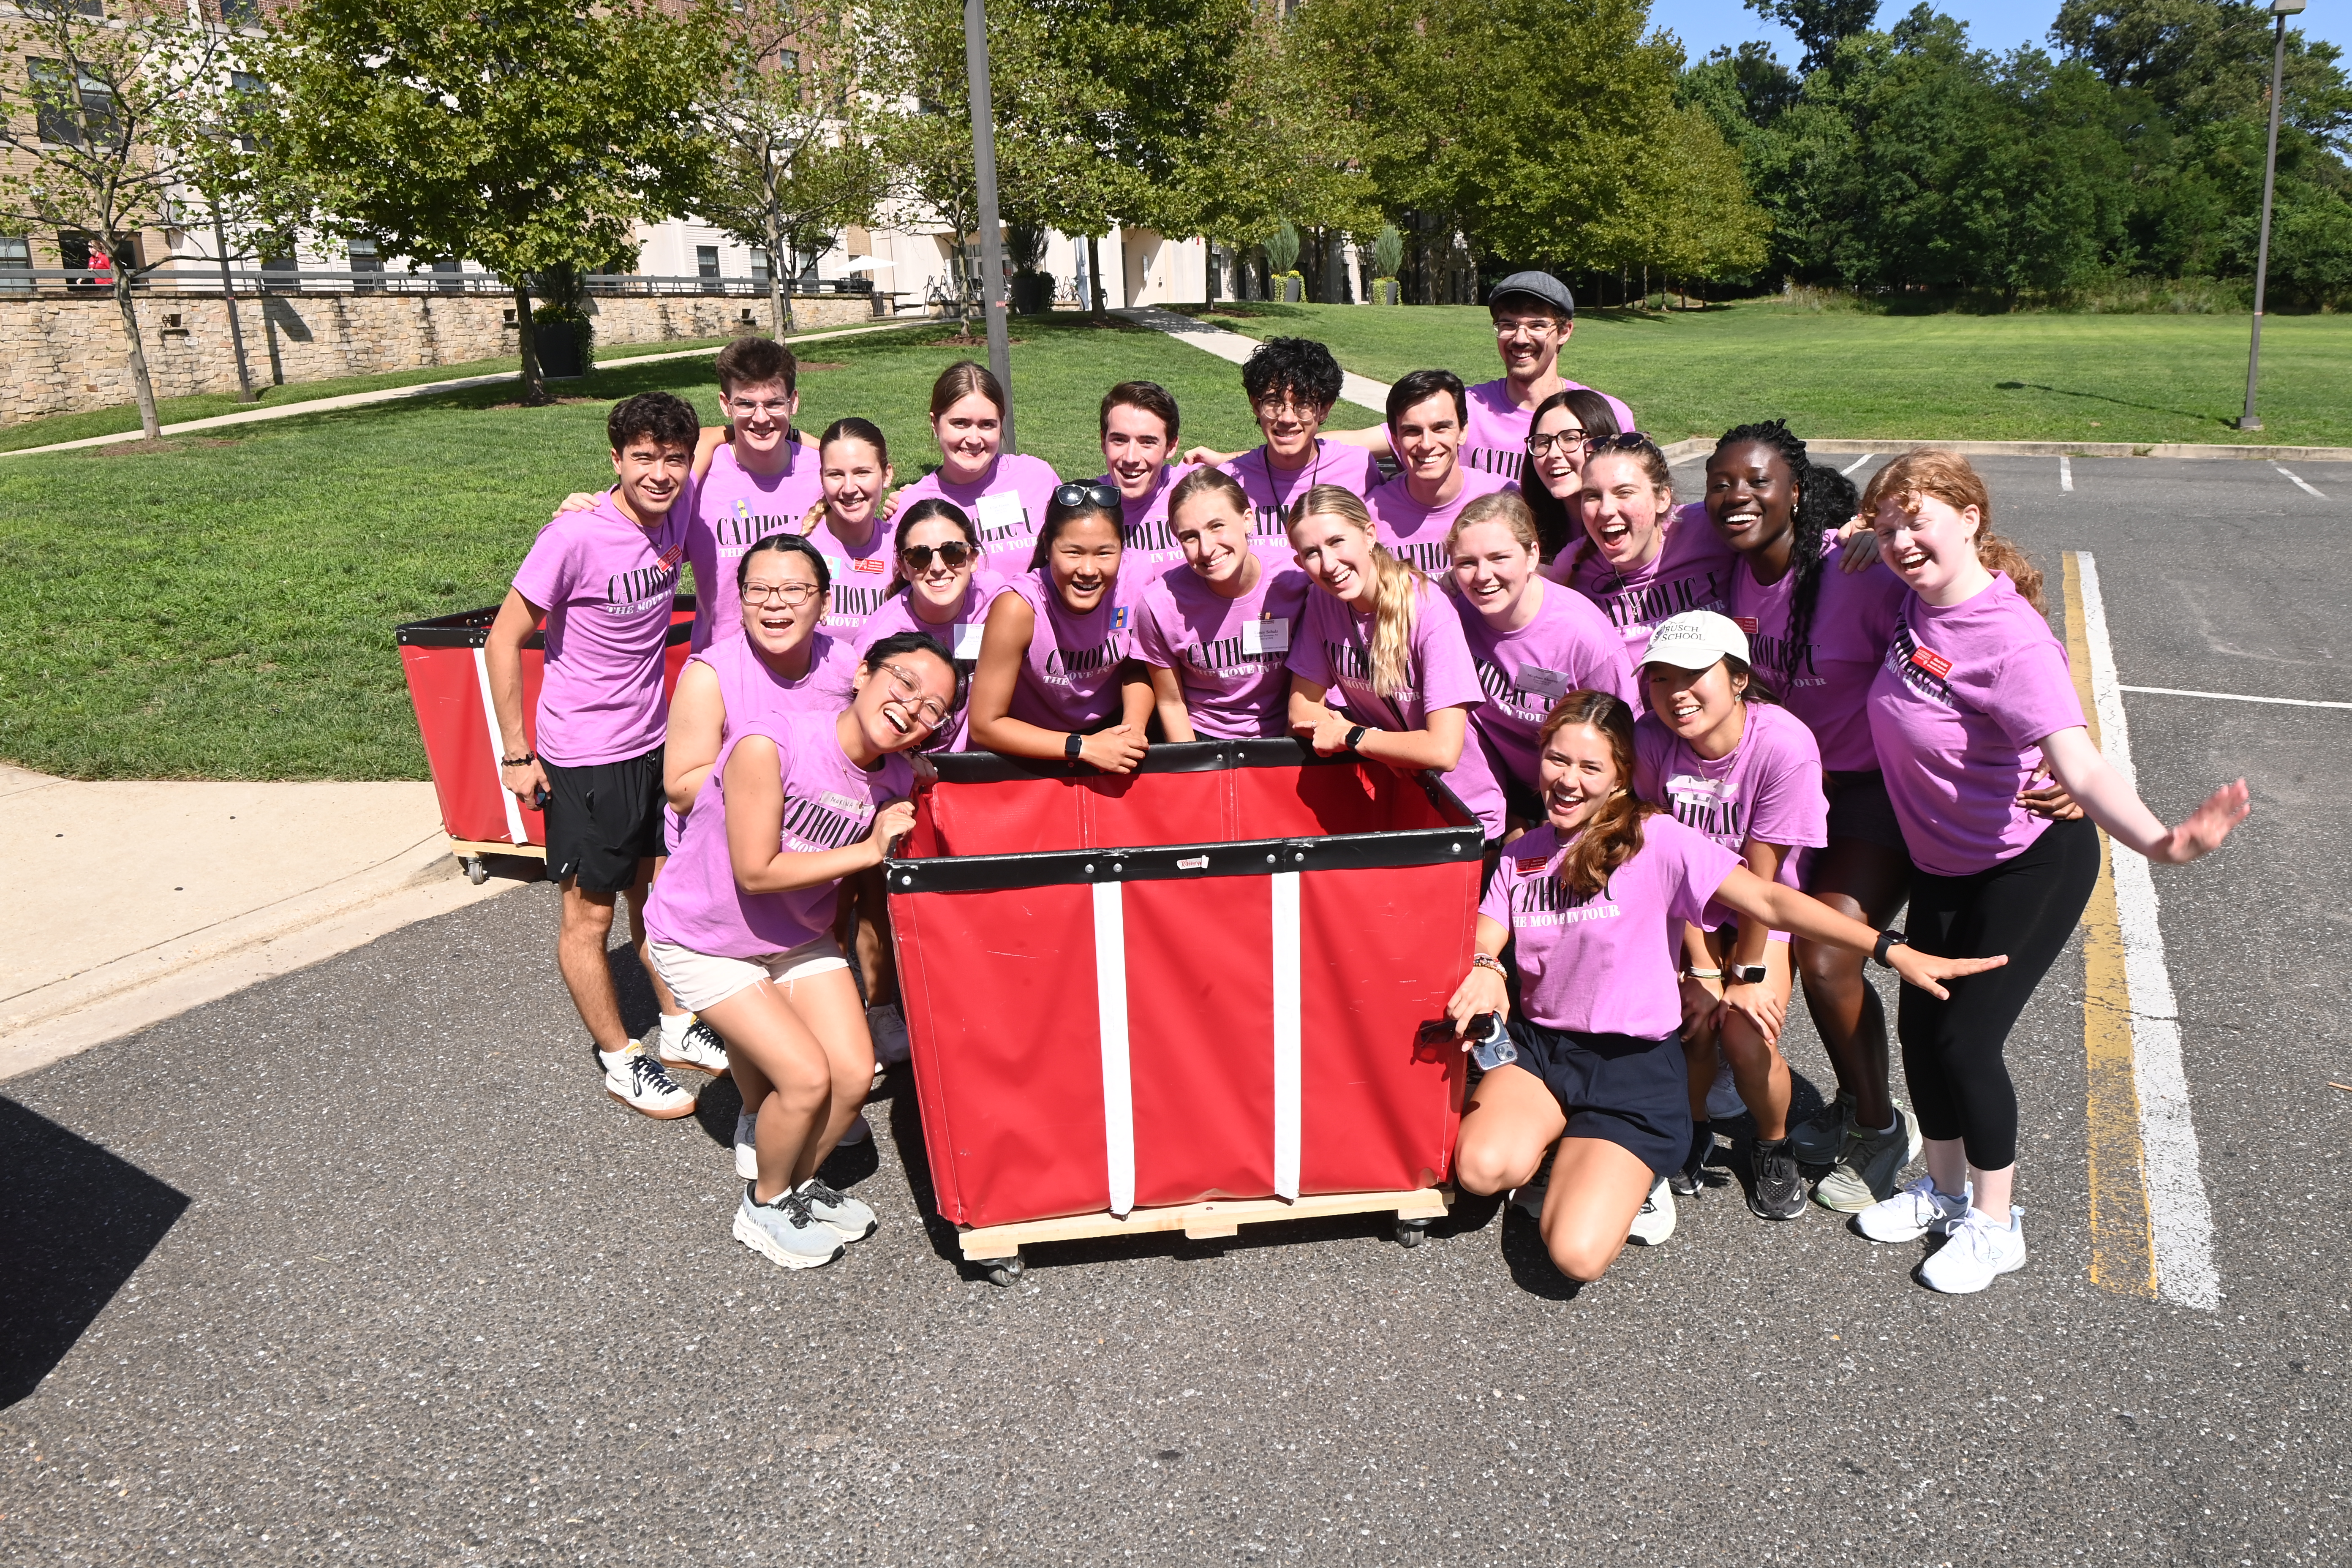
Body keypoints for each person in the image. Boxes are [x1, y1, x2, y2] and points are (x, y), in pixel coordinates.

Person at [1446, 691, 2005, 1285]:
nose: (1568, 781)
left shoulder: (1655, 839)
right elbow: (1490, 929)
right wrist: (1485, 964)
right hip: (1543, 1053)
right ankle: (1557, 1147)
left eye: (1590, 768)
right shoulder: (1524, 853)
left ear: (1620, 776)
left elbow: (1768, 899)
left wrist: (1887, 948)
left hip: (1631, 1071)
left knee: (1574, 1256)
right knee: (1480, 1171)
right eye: (1558, 760)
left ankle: (1611, 1166)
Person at [1855, 451, 2247, 1294]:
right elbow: (1847, 538)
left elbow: (2081, 765)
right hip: (1945, 862)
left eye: (1917, 518)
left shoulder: (2009, 638)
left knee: (1966, 1040)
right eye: (1886, 525)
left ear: (1970, 516)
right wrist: (1857, 530)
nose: (1899, 539)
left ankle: (1997, 1225)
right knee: (1919, 1029)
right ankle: (1944, 1190)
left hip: (2026, 863)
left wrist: (2162, 841)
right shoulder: (1913, 601)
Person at [644, 634, 961, 1271]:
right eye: (903, 682)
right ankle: (761, 1207)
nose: (911, 708)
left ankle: (793, 1187)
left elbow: (907, 783)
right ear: (864, 672)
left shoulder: (895, 774)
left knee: (852, 1075)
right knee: (806, 1078)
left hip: (792, 939)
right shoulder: (773, 742)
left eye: (932, 709)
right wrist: (871, 850)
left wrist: (917, 778)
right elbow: (757, 871)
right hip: (702, 940)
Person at [1707, 421, 1920, 1211]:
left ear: (1796, 490)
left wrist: (2050, 751)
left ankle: (1875, 1123)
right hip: (1788, 791)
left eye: (1757, 482)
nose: (1737, 497)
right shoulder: (1728, 575)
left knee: (1829, 959)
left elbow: (1972, 611)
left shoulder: (1857, 568)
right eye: (1721, 483)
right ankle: (1766, 1084)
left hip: (1873, 791)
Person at [486, 391, 705, 1119]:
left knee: (659, 897)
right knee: (590, 917)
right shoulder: (573, 537)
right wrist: (518, 755)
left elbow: (737, 436)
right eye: (642, 457)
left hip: (654, 742)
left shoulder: (678, 505)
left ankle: (677, 1028)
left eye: (672, 458)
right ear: (615, 459)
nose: (660, 473)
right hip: (584, 754)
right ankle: (620, 1057)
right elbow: (501, 639)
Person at [1631, 612, 1827, 1224]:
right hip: (1683, 908)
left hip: (1758, 915)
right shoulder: (1649, 741)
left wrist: (1741, 974)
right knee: (1687, 1025)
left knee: (1745, 1035)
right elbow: (1665, 861)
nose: (1675, 693)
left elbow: (1762, 885)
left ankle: (1772, 1145)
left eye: (1694, 675)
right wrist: (1699, 970)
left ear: (1739, 678)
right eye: (1660, 679)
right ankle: (1691, 1133)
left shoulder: (1783, 745)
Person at [1284, 486, 1508, 843]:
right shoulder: (1323, 601)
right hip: (1396, 807)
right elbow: (1300, 709)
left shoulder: (1427, 609)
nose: (1329, 564)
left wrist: (1356, 737)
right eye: (1312, 552)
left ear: (1369, 535)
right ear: (1299, 562)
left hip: (1462, 814)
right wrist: (1376, 743)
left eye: (1337, 541)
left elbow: (1443, 750)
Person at [1444, 490, 1633, 833]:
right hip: (1498, 789)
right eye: (1467, 563)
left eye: (1499, 558)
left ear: (1532, 555)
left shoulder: (1583, 637)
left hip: (1573, 795)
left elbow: (1623, 743)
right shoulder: (1452, 613)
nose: (1483, 575)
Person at [968, 482, 1154, 773]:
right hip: (1034, 751)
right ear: (1047, 545)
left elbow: (1137, 666)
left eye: (1105, 553)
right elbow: (985, 725)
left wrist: (1132, 730)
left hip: (1109, 736)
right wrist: (1083, 747)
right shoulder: (1018, 607)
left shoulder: (1137, 576)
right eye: (1073, 553)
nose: (1089, 570)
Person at [1134, 468, 1313, 741]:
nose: (1206, 549)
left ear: (1248, 520)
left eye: (1217, 526)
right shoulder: (1159, 605)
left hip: (1288, 734)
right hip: (1204, 740)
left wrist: (1285, 759)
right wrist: (1196, 772)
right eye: (1190, 537)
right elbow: (1172, 704)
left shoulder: (1297, 581)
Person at [684, 336, 828, 653]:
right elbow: (643, 535)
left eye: (774, 403)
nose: (761, 418)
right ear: (726, 404)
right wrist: (592, 511)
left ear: (794, 402)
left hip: (807, 662)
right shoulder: (698, 476)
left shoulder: (824, 473)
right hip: (720, 663)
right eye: (746, 404)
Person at [1550, 433, 1737, 662]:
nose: (1606, 510)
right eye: (1592, 496)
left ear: (1663, 499)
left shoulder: (1708, 527)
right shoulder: (1574, 565)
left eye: (1624, 492)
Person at [1198, 337, 1384, 547]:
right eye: (1274, 403)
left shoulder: (1358, 467)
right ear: (1256, 406)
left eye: (1304, 404)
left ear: (1324, 409)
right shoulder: (1230, 481)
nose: (1288, 418)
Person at [892, 360, 1061, 577]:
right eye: (960, 423)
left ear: (1001, 423)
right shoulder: (911, 505)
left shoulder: (1038, 478)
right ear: (935, 424)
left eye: (987, 424)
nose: (973, 439)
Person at [854, 498, 996, 751]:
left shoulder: (997, 598)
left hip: (986, 759)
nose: (939, 568)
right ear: (904, 568)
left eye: (953, 552)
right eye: (920, 556)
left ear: (973, 558)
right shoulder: (883, 637)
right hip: (913, 767)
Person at [1364, 369, 1516, 574]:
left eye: (1440, 428)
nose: (1427, 444)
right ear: (1396, 440)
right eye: (1412, 431)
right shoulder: (1372, 515)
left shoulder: (1504, 497)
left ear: (1463, 432)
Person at [1092, 381, 1197, 582]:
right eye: (1120, 440)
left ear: (1171, 447)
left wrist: (1224, 458)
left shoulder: (1196, 487)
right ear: (1103, 441)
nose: (1131, 458)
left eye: (1147, 442)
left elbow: (1269, 462)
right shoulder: (1087, 504)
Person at [803, 418, 898, 635]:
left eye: (862, 472)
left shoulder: (903, 550)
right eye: (836, 474)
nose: (848, 488)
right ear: (822, 478)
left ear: (887, 475)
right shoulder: (794, 547)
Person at [1520, 389, 1622, 565]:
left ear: (1602, 443)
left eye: (1570, 439)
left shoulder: (1631, 523)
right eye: (1543, 442)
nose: (1553, 454)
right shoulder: (1524, 530)